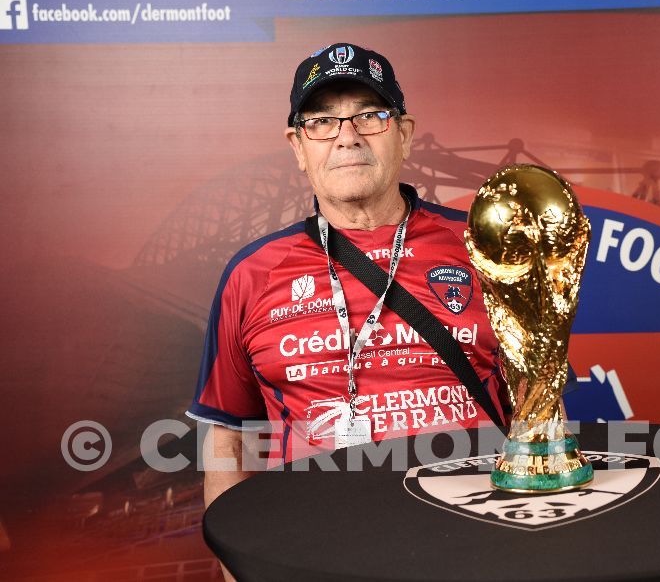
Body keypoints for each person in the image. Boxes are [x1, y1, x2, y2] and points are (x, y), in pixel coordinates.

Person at [185, 43, 509, 520]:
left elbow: (538, 404)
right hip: (315, 544)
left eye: (369, 116)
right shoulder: (252, 274)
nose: (347, 137)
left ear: (405, 134)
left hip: (478, 533)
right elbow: (228, 438)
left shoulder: (487, 248)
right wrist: (237, 565)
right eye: (321, 121)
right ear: (297, 146)